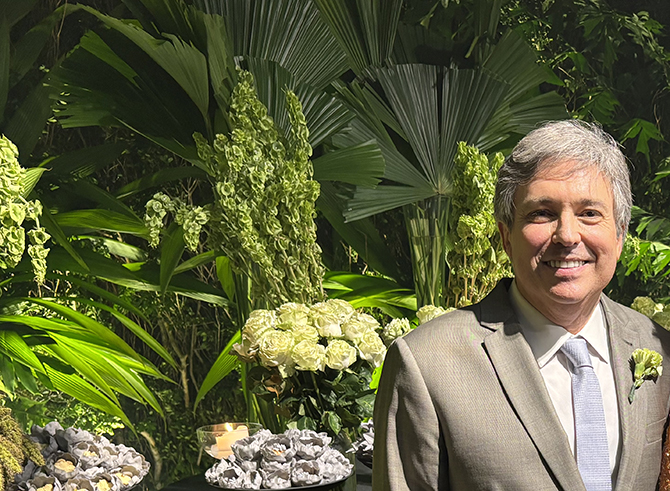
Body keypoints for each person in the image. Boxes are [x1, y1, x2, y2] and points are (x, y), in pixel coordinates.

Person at [372, 120, 670, 491]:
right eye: (542, 213)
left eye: (589, 213)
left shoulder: (659, 347)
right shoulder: (426, 364)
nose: (567, 235)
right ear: (506, 237)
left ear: (620, 234)